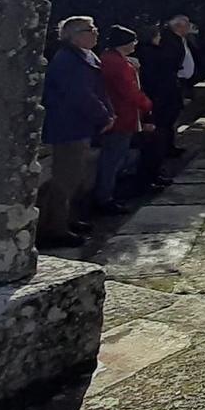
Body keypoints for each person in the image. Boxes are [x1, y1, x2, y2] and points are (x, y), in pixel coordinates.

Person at [40, 15, 112, 246]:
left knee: (76, 177)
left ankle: (69, 220)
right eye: (89, 29)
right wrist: (103, 116)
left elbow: (97, 89)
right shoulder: (67, 60)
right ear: (73, 36)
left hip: (80, 126)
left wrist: (107, 113)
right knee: (65, 179)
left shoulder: (85, 57)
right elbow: (80, 95)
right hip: (68, 127)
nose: (95, 33)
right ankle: (55, 230)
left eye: (94, 28)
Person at [96, 26, 152, 212]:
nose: (135, 44)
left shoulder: (115, 59)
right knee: (113, 159)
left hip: (122, 115)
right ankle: (105, 198)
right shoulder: (116, 64)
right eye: (133, 40)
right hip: (121, 115)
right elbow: (129, 91)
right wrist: (146, 104)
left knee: (118, 156)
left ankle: (110, 193)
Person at [138, 13, 199, 183]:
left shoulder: (178, 40)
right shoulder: (163, 45)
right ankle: (158, 162)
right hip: (164, 92)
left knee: (169, 122)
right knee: (161, 126)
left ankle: (169, 149)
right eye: (186, 25)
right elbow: (164, 66)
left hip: (172, 87)